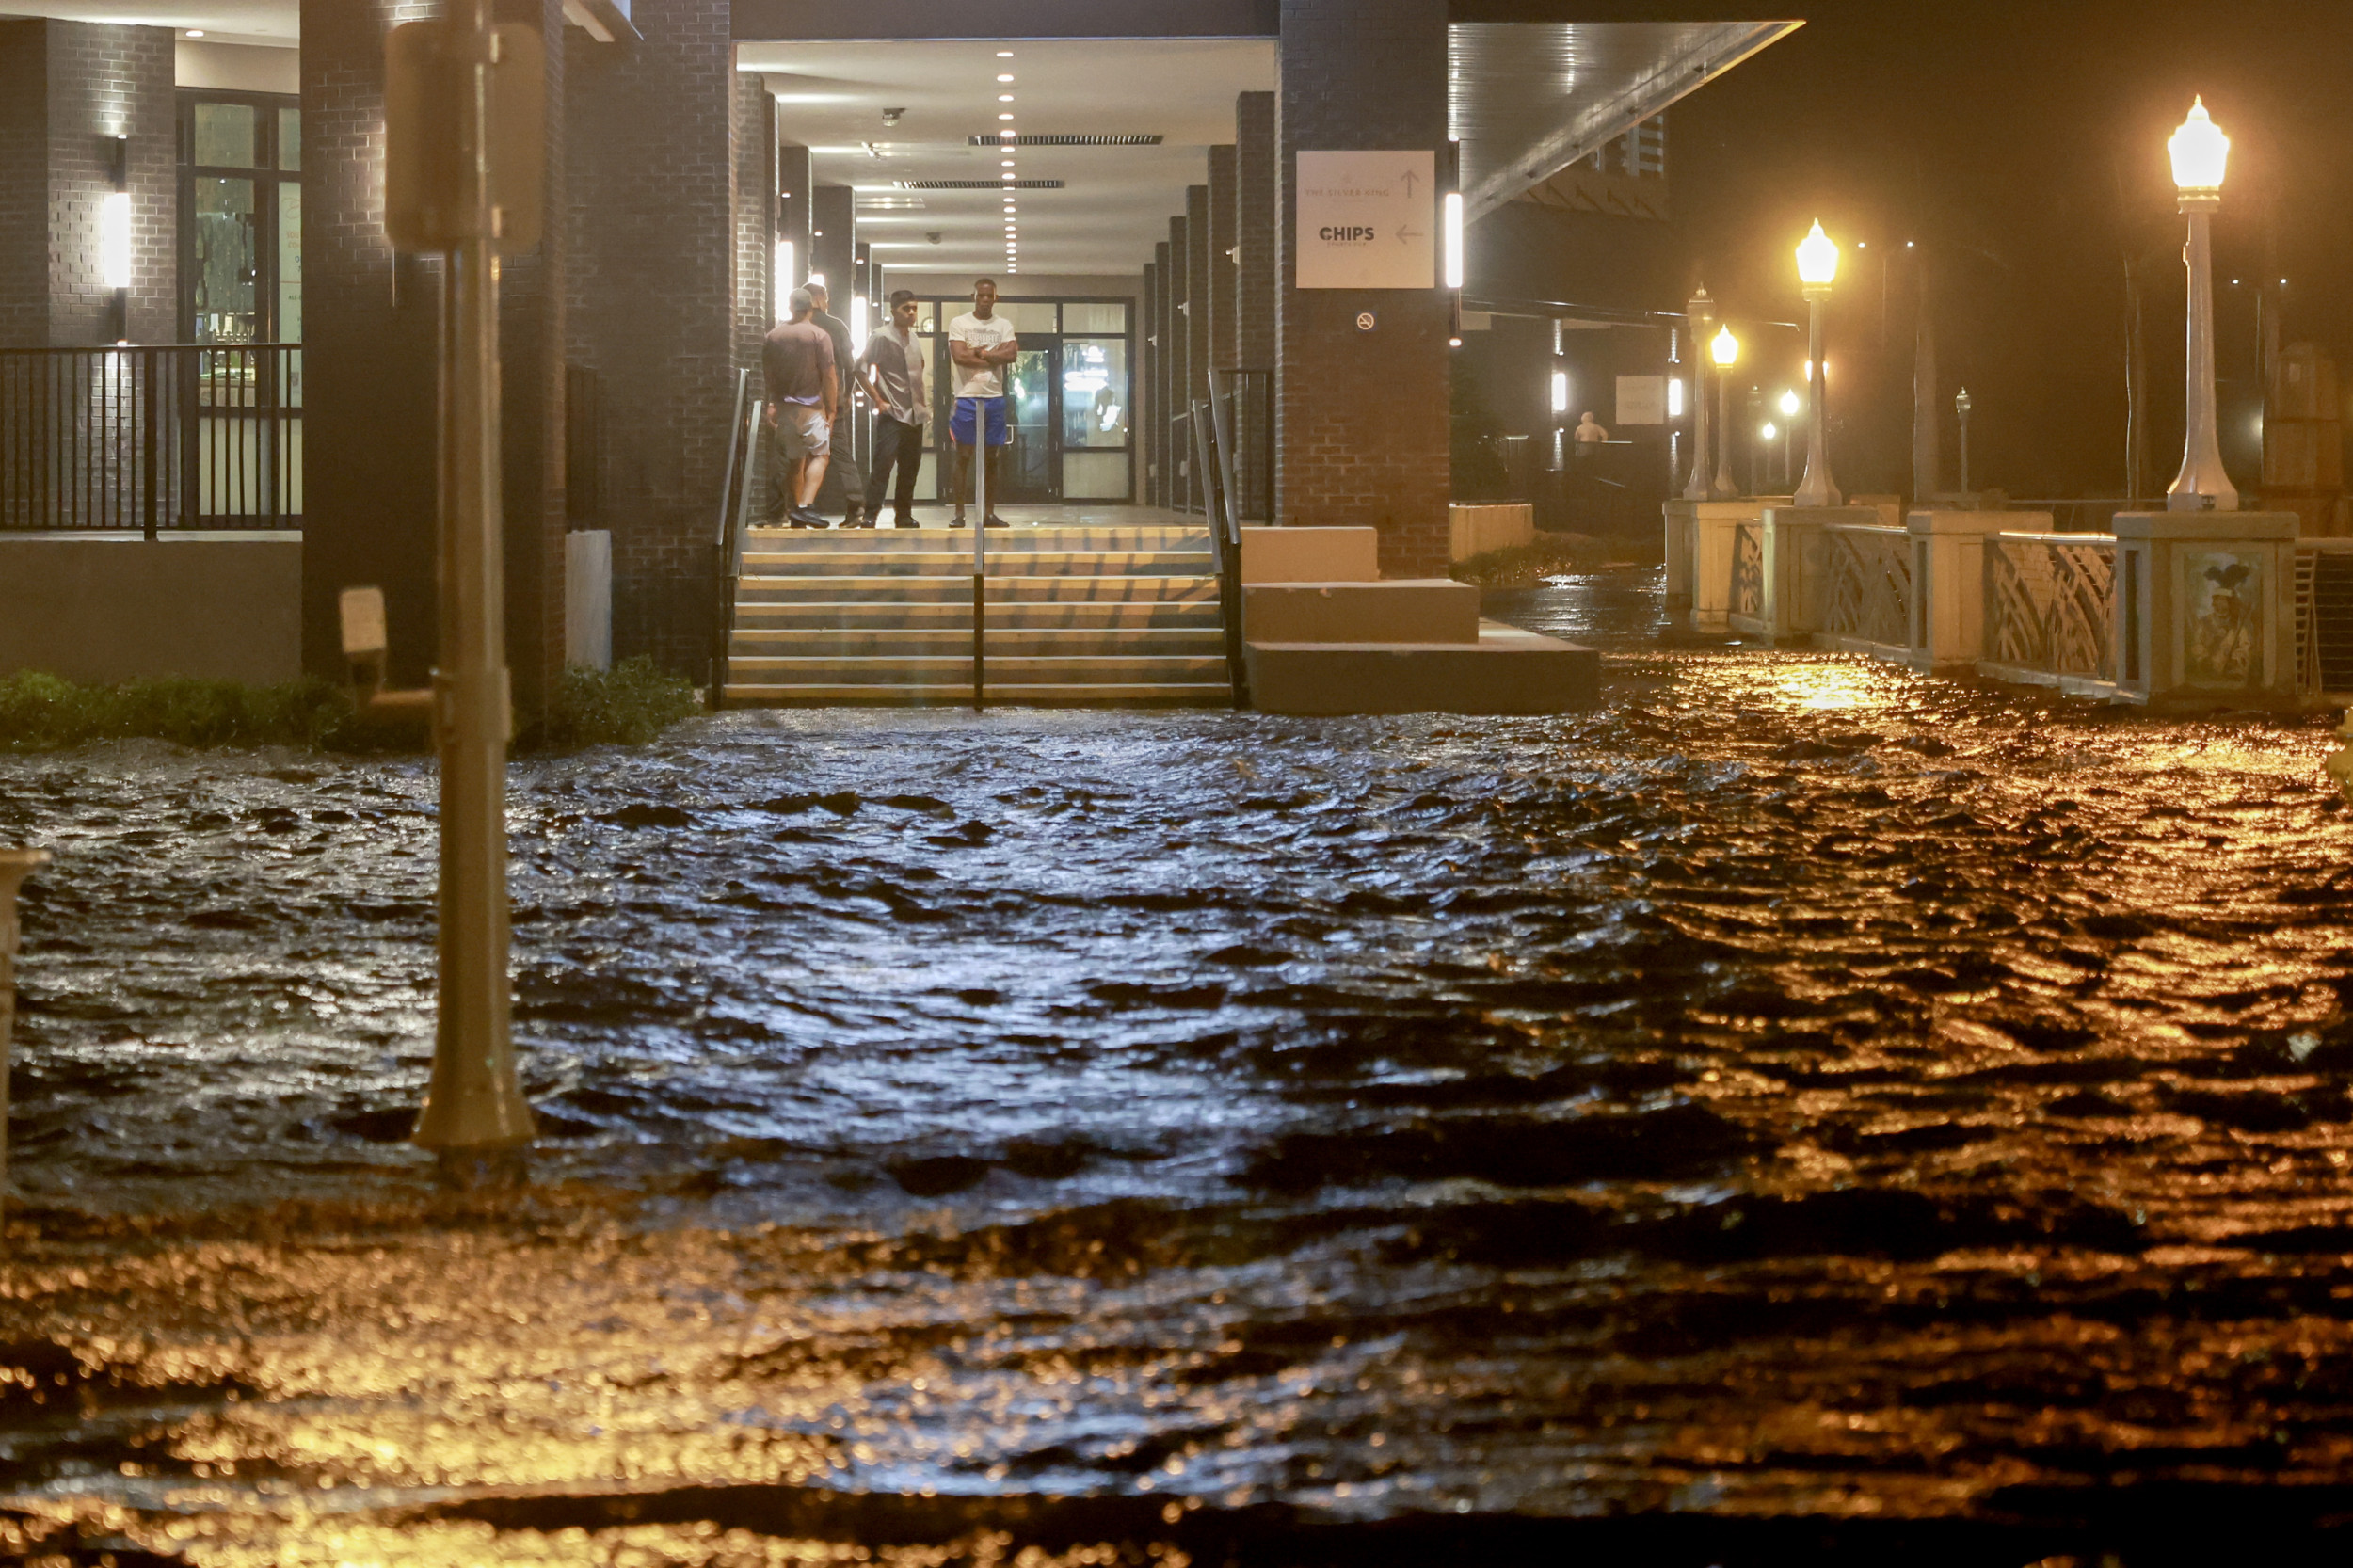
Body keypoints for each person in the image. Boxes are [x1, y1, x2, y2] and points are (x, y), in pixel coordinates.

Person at [760, 287, 838, 528]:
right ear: (811, 308)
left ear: (791, 307)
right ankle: (805, 506)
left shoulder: (773, 336)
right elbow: (829, 376)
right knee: (820, 455)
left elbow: (768, 375)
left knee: (795, 461)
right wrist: (831, 408)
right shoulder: (819, 335)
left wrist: (772, 403)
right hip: (811, 406)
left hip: (784, 407)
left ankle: (796, 513)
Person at [856, 290, 931, 528]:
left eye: (914, 308)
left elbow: (919, 368)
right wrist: (878, 399)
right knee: (883, 466)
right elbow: (859, 369)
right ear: (893, 310)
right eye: (906, 308)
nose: (911, 313)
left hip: (915, 413)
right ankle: (871, 514)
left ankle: (904, 514)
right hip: (893, 412)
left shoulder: (915, 338)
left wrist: (924, 404)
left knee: (910, 468)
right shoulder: (881, 336)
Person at [947, 277, 1018, 529]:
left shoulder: (1003, 324)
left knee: (992, 458)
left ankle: (988, 513)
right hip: (966, 397)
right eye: (981, 296)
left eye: (990, 296)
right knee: (963, 456)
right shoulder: (960, 323)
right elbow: (959, 357)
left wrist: (983, 353)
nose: (986, 300)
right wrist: (994, 357)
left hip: (994, 398)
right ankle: (958, 513)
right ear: (974, 297)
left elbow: (1012, 354)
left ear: (995, 298)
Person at [803, 281, 870, 528]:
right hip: (833, 400)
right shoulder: (836, 326)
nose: (828, 301)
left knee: (798, 455)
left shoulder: (797, 326)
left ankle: (796, 509)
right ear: (819, 298)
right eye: (826, 297)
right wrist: (847, 394)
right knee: (840, 452)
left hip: (801, 400)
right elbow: (849, 365)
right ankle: (855, 504)